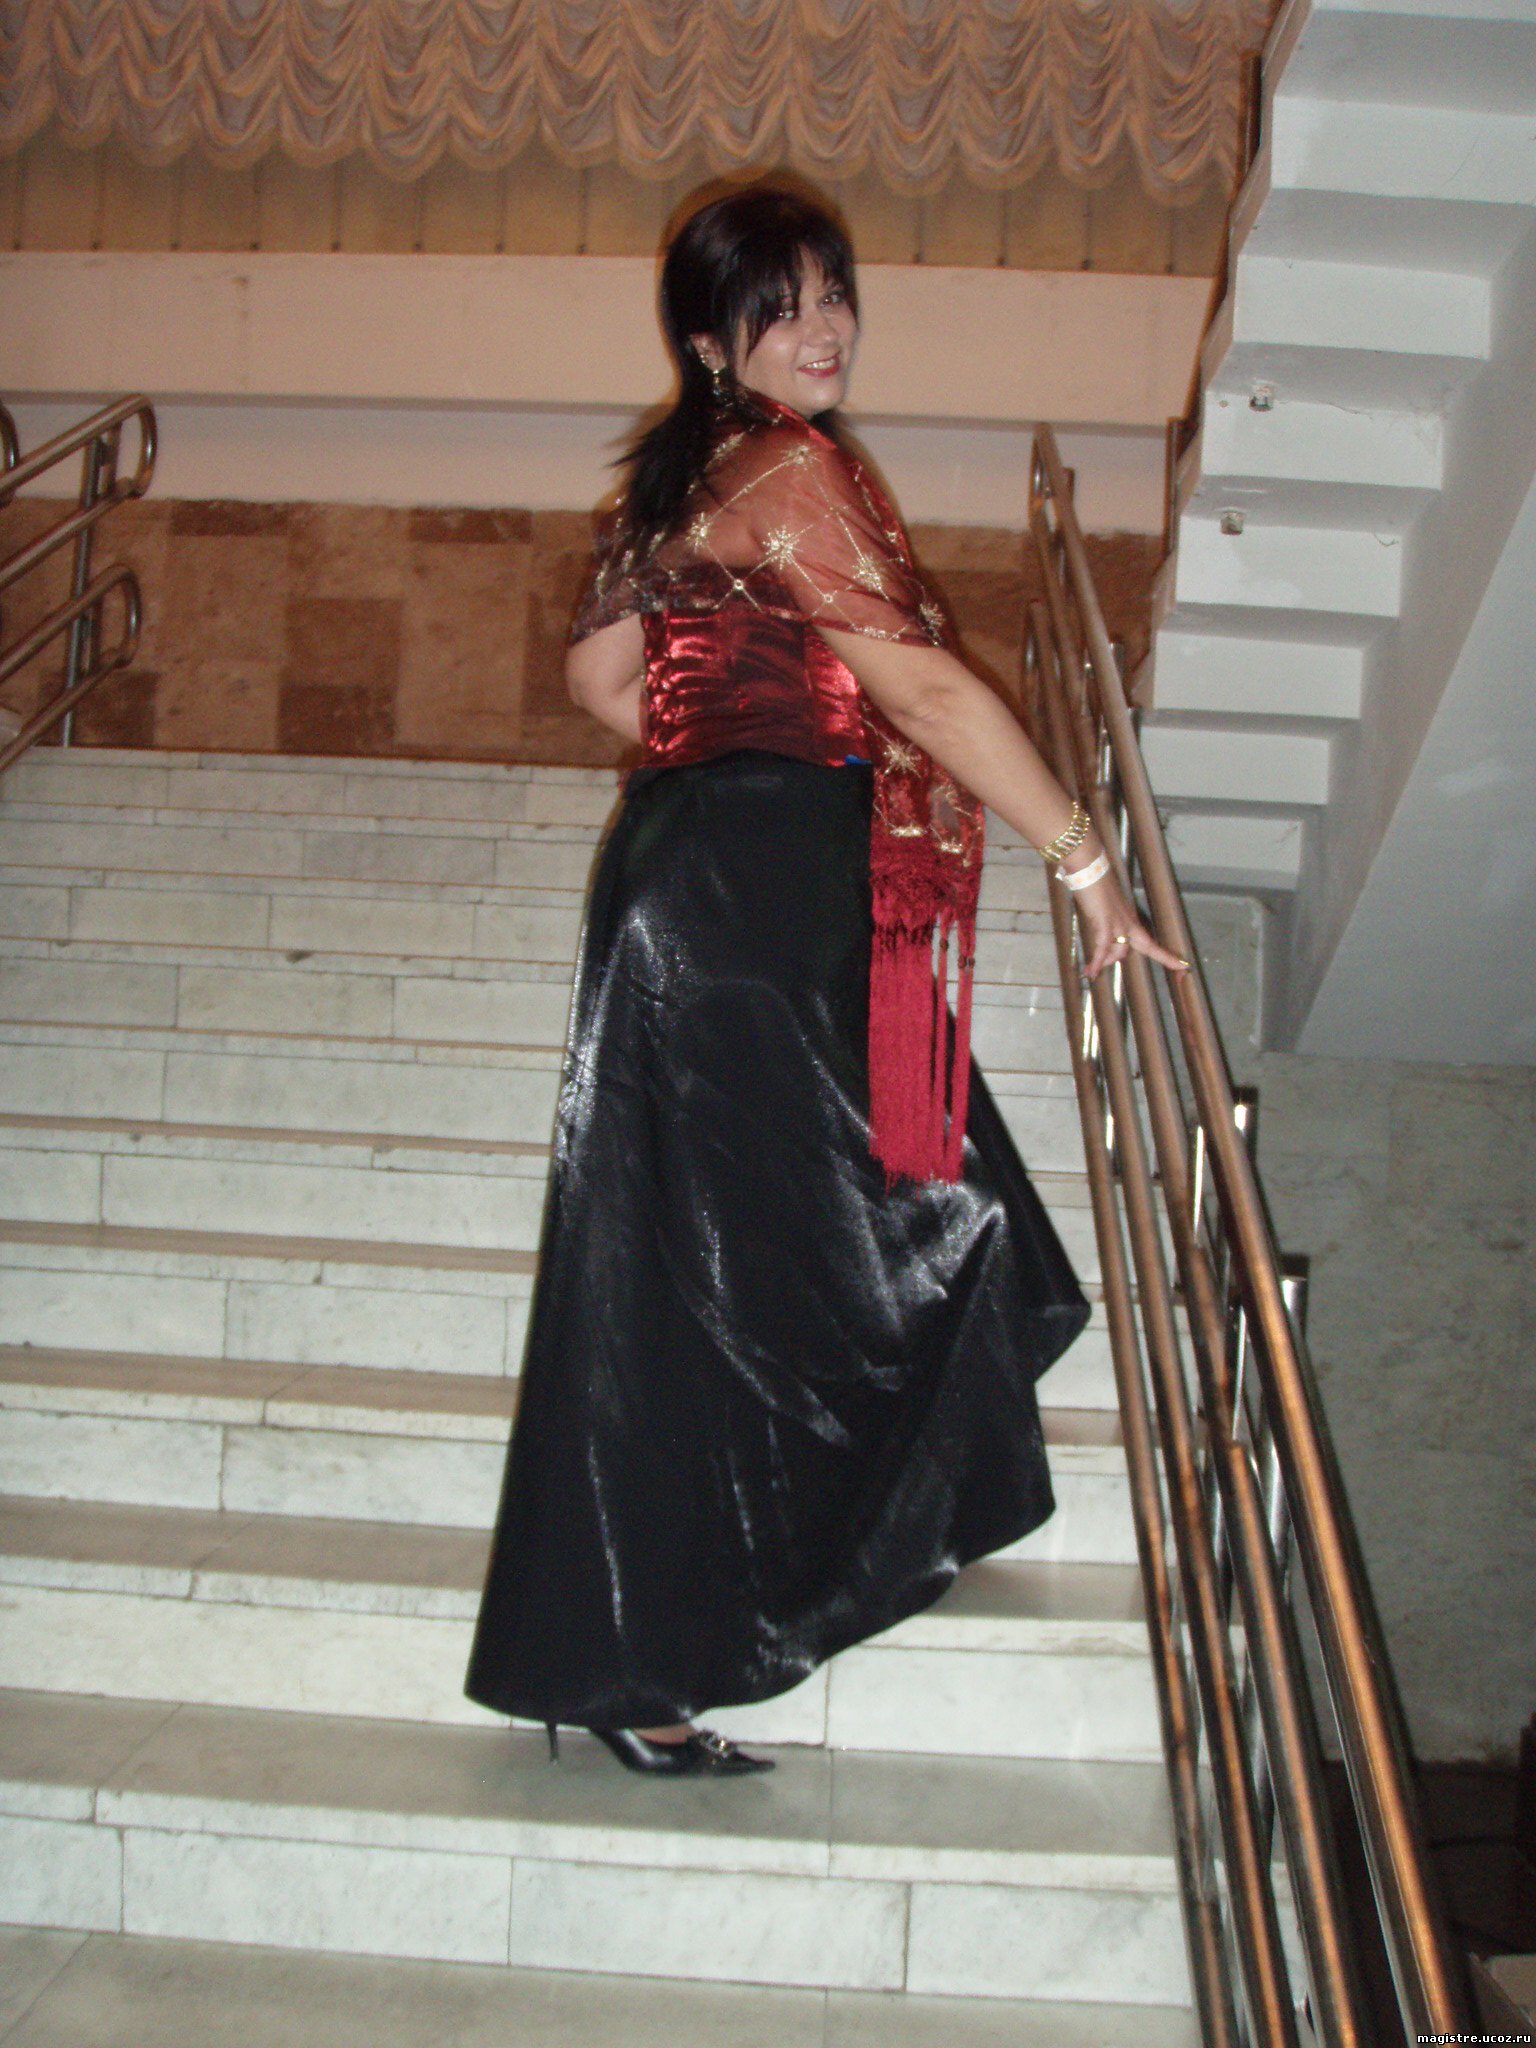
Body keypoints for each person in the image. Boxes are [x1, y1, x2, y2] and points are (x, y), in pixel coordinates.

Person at [464, 180, 1184, 1777]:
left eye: (834, 294)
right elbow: (923, 689)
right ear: (712, 339)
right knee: (787, 1259)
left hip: (707, 879)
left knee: (763, 1248)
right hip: (750, 897)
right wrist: (1086, 861)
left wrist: (730, 744)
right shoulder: (790, 469)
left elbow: (600, 675)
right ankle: (648, 1657)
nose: (824, 327)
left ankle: (676, 1622)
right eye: (781, 306)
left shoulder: (686, 479)